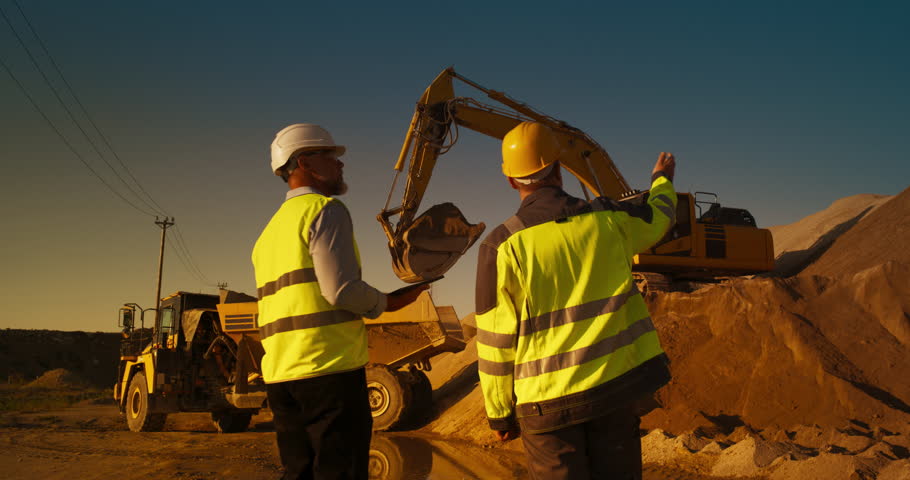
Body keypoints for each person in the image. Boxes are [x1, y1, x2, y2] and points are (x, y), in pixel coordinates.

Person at [475, 121, 677, 480]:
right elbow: (659, 218)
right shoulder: (609, 219)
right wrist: (662, 180)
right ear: (559, 168)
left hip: (546, 408)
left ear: (510, 180)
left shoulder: (501, 246)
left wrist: (499, 413)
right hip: (614, 392)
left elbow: (494, 343)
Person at [252, 123, 427, 480]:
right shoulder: (325, 211)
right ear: (304, 162)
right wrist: (390, 302)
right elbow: (341, 291)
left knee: (299, 472)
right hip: (328, 373)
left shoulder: (267, 235)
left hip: (282, 377)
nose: (340, 164)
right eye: (330, 156)